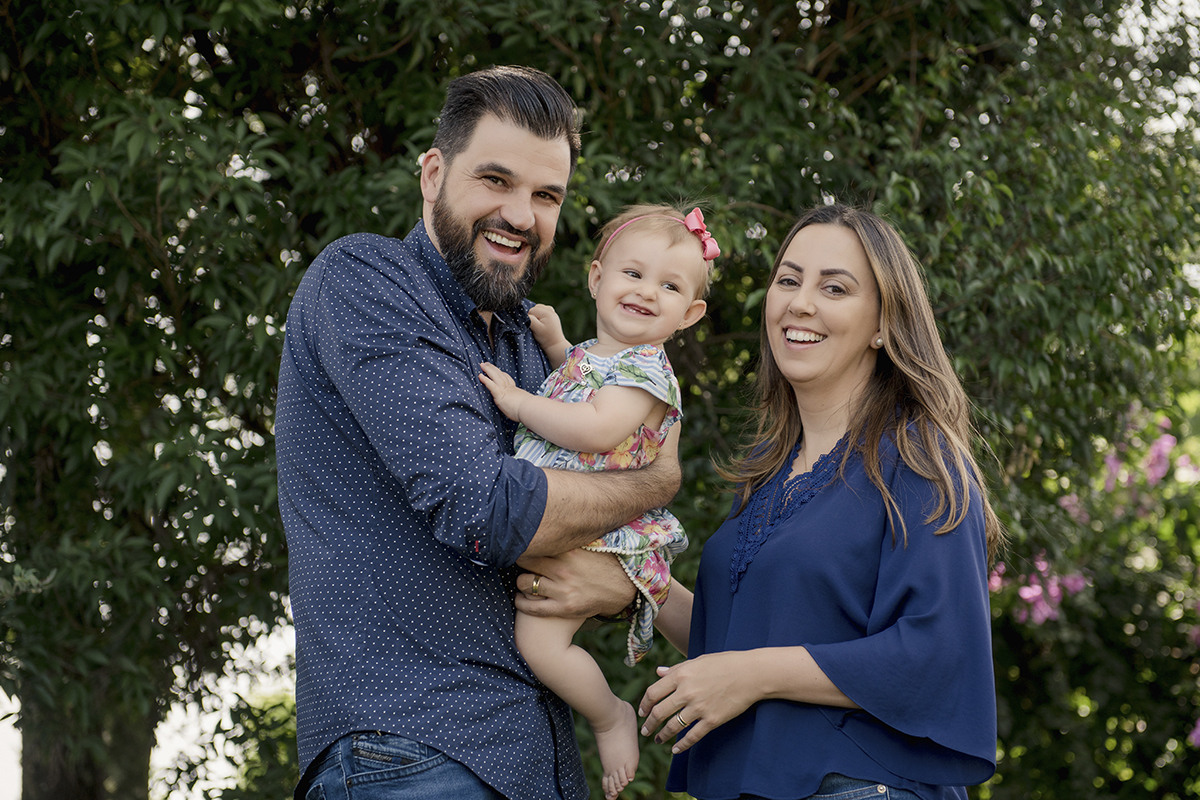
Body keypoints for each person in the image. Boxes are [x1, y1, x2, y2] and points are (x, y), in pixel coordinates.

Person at [275, 65, 682, 800]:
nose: (520, 215)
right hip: (409, 747)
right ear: (433, 175)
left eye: (546, 196)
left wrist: (618, 588)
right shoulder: (368, 280)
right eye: (496, 180)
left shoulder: (531, 346)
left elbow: (585, 534)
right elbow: (489, 507)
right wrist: (655, 481)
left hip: (531, 759)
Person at [638, 203, 1004, 800]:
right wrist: (636, 581)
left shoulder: (919, 458)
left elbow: (938, 653)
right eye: (789, 280)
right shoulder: (770, 474)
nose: (801, 303)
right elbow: (732, 640)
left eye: (834, 288)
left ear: (883, 324)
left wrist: (752, 674)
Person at [478, 204, 720, 799]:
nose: (647, 291)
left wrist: (519, 403)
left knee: (540, 645)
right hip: (573, 522)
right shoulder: (602, 356)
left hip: (600, 532)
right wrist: (559, 346)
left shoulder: (648, 372)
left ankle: (610, 715)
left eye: (670, 286)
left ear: (689, 314)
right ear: (597, 278)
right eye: (633, 273)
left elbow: (595, 427)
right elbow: (583, 383)